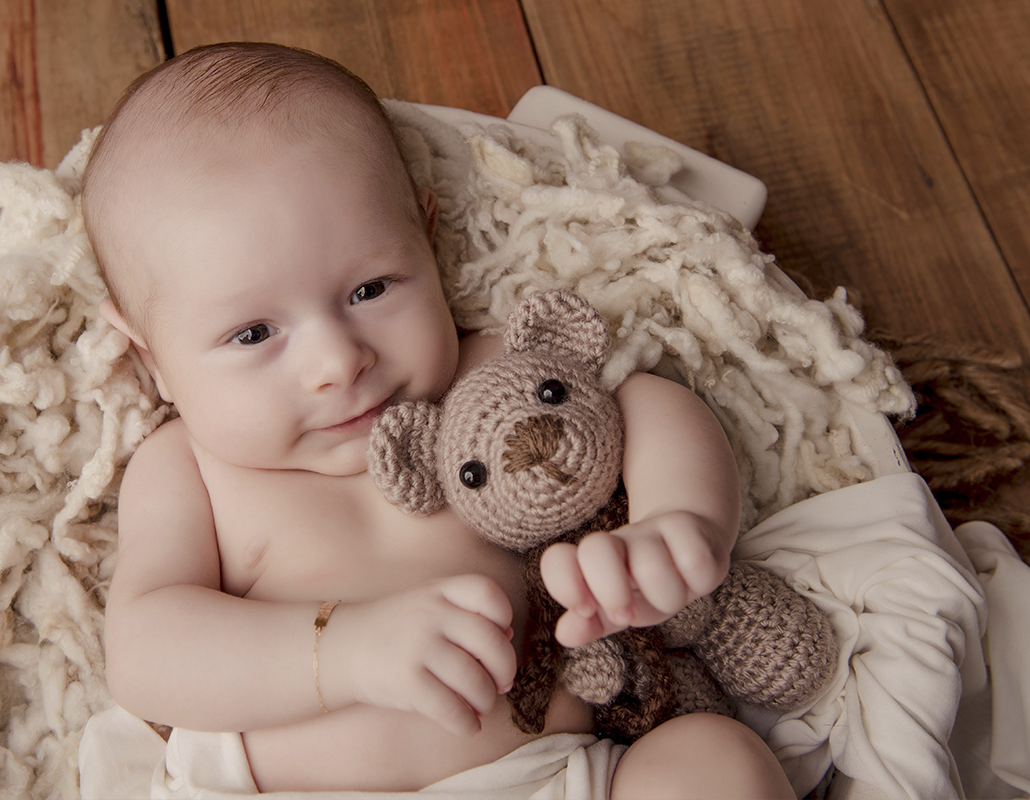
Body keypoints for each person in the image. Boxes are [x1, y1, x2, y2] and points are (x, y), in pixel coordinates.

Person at [78, 41, 796, 799]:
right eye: (254, 334)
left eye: (370, 288)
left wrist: (679, 522)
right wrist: (344, 651)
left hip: (544, 778)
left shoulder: (484, 381)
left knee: (717, 763)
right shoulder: (190, 468)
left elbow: (646, 408)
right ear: (149, 356)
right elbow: (149, 652)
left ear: (427, 234)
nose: (338, 361)